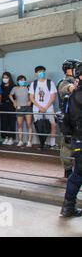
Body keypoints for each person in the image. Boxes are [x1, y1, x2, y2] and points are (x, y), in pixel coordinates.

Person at [60, 62, 82, 217]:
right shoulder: (70, 89)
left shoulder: (73, 95)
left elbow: (66, 119)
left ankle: (68, 207)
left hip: (77, 139)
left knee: (77, 175)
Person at [57, 59, 80, 178]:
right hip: (68, 120)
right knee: (67, 146)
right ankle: (68, 170)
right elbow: (67, 89)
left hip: (78, 119)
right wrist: (74, 86)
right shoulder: (64, 82)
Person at [29, 65, 58, 150]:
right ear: (36, 73)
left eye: (43, 71)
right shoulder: (34, 83)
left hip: (49, 108)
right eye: (39, 72)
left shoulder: (50, 82)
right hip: (37, 109)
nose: (42, 73)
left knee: (53, 125)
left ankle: (52, 144)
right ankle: (42, 143)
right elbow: (31, 97)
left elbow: (53, 97)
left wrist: (45, 107)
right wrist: (40, 107)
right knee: (39, 126)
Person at [10, 75, 33, 147]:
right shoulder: (15, 88)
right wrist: (14, 102)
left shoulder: (28, 88)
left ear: (25, 81)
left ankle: (29, 141)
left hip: (27, 107)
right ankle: (20, 141)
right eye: (20, 80)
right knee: (20, 125)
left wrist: (30, 101)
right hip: (19, 108)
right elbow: (10, 95)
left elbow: (32, 96)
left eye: (23, 80)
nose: (22, 81)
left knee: (29, 125)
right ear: (17, 81)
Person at [0, 72, 16, 145]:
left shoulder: (13, 86)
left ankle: (11, 138)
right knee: (4, 122)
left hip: (11, 106)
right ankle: (5, 137)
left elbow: (16, 97)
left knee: (11, 122)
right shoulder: (1, 86)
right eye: (4, 77)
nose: (5, 79)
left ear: (9, 78)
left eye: (6, 77)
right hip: (3, 106)